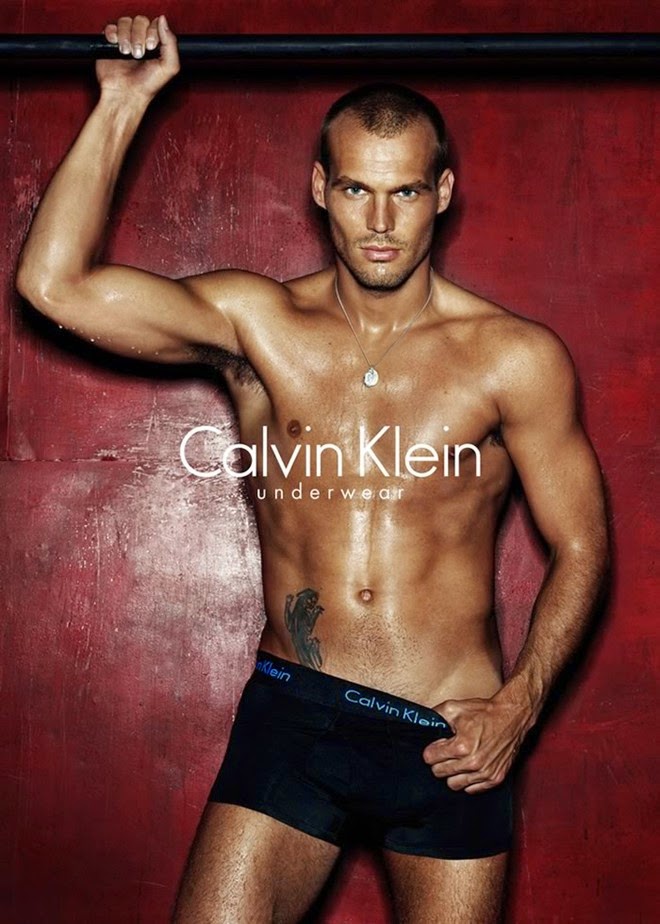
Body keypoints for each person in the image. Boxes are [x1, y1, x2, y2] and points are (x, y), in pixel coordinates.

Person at [15, 14, 609, 924]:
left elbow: (582, 547)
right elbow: (53, 285)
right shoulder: (259, 326)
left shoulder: (513, 358)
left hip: (449, 735)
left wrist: (519, 706)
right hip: (296, 716)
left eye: (406, 192)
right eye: (358, 190)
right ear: (321, 188)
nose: (381, 223)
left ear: (443, 192)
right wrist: (124, 103)